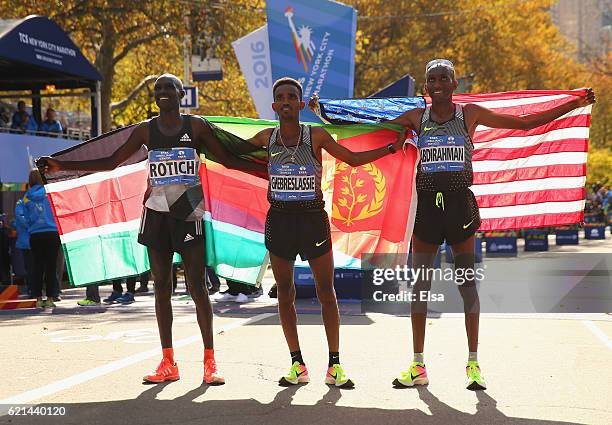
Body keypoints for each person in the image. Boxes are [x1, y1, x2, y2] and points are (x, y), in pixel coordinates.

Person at [384, 59, 595, 390]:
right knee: (421, 287)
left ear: (455, 85)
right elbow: (371, 129)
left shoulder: (470, 115)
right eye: (431, 79)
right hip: (425, 209)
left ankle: (473, 364)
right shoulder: (415, 118)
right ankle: (418, 365)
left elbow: (524, 123)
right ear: (425, 87)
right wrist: (323, 112)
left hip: (459, 209)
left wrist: (573, 102)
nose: (437, 83)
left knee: (466, 285)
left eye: (444, 78)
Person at [40, 73, 265, 385]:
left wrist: (270, 166)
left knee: (198, 287)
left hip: (188, 212)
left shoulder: (195, 126)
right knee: (161, 287)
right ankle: (168, 361)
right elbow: (111, 161)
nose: (162, 92)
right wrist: (62, 166)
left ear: (180, 93)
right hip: (157, 212)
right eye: (157, 88)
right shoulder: (146, 129)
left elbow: (228, 156)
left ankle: (210, 362)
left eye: (168, 87)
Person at [248, 77, 406, 388]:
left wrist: (390, 148)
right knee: (285, 294)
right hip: (279, 220)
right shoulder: (265, 137)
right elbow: (228, 148)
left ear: (301, 103)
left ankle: (335, 365)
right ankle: (297, 364)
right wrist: (194, 136)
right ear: (274, 105)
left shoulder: (316, 135)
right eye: (281, 97)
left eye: (292, 97)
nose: (286, 101)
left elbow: (354, 159)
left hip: (311, 220)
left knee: (326, 293)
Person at [23, 169, 61, 308]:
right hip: (52, 233)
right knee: (51, 267)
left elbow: (25, 217)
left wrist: (31, 226)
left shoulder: (27, 196)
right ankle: (51, 298)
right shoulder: (50, 192)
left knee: (37, 267)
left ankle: (38, 298)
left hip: (35, 234)